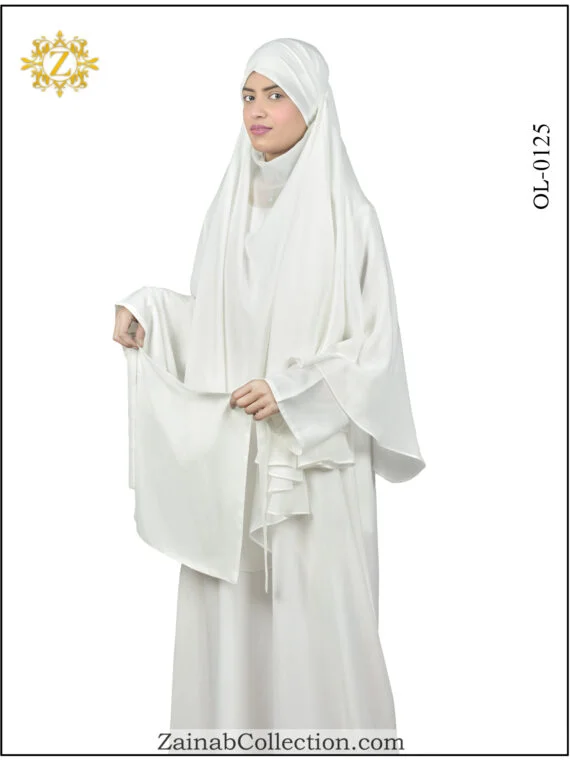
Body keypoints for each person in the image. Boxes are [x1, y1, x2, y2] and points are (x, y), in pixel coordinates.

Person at [113, 38, 426, 744]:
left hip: (314, 465)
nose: (257, 110)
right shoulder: (229, 208)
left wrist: (292, 391)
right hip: (237, 461)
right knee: (233, 610)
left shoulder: (350, 216)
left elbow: (374, 351)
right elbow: (221, 327)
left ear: (311, 104)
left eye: (276, 95)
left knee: (319, 608)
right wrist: (151, 311)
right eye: (248, 95)